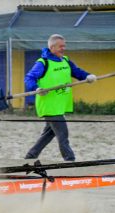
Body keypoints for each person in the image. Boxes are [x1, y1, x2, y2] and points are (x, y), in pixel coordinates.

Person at [24, 34, 96, 162]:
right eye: (60, 46)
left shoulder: (65, 60)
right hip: (49, 105)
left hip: (60, 104)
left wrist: (88, 76)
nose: (63, 49)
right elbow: (29, 78)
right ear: (52, 47)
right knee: (63, 133)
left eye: (64, 46)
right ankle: (70, 160)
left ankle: (30, 156)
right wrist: (36, 88)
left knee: (49, 133)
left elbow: (77, 72)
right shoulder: (43, 63)